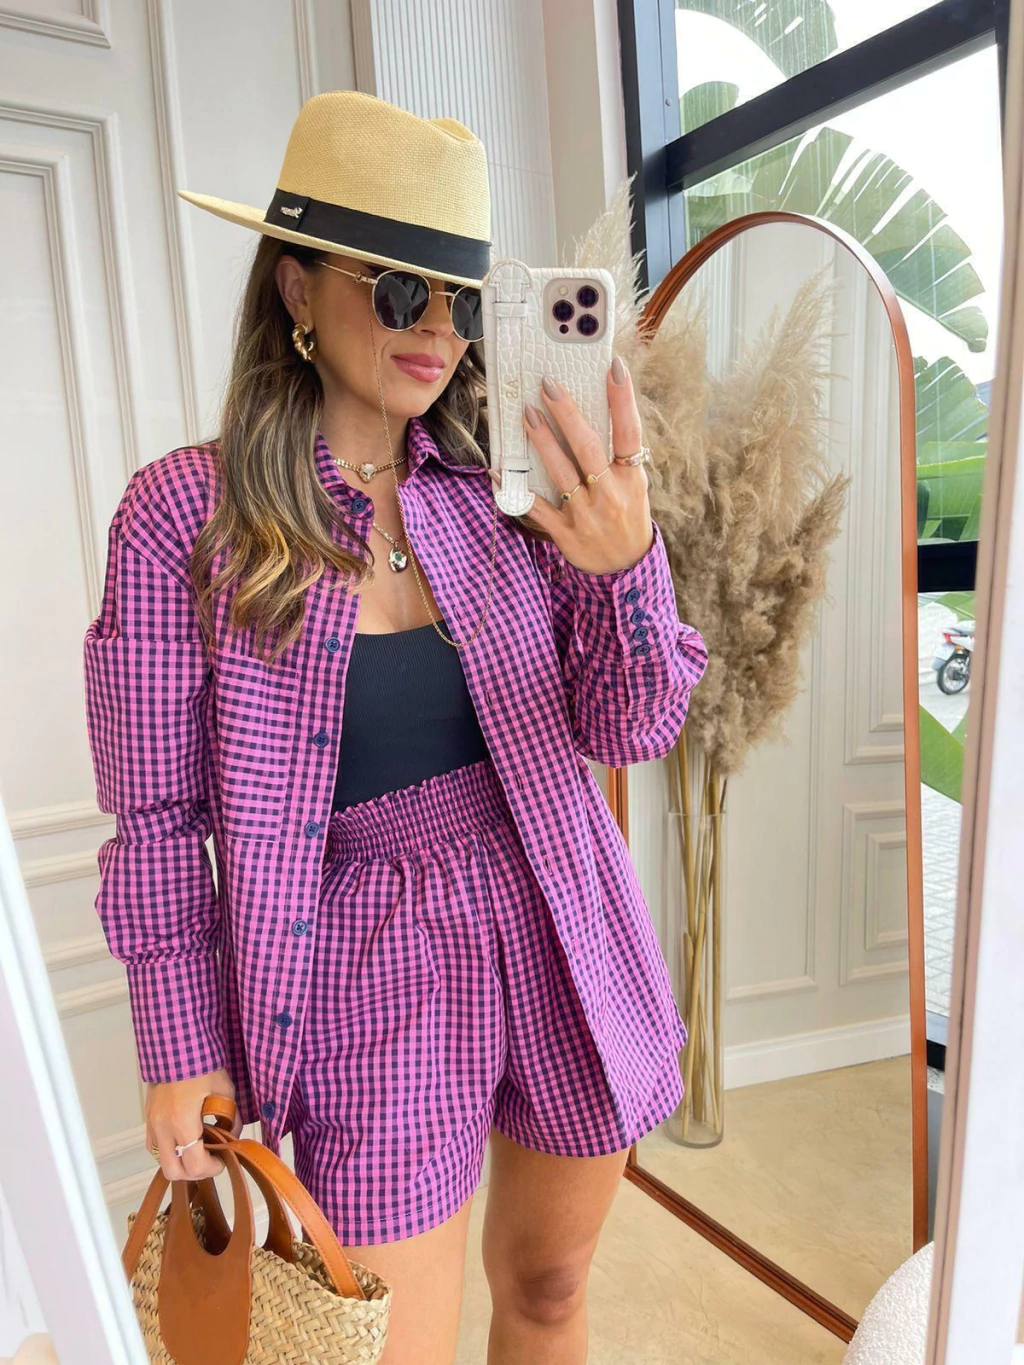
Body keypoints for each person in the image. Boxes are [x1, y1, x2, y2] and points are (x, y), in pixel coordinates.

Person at [82, 90, 708, 1365]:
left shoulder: (511, 488)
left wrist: (626, 566)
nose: (437, 332)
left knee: (549, 1288)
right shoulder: (181, 521)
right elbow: (155, 822)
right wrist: (179, 1048)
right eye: (400, 289)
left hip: (558, 907)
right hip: (364, 963)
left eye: (460, 299)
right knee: (387, 1347)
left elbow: (633, 726)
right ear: (297, 289)